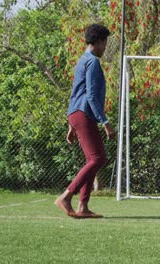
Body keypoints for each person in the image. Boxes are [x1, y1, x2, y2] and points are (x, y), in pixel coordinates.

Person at [54, 24, 115, 218]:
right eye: (104, 42)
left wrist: (71, 125)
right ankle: (66, 196)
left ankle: (83, 207)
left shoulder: (82, 60)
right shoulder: (93, 62)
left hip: (77, 114)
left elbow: (75, 94)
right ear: (97, 41)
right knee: (97, 158)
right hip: (83, 113)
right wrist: (105, 122)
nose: (105, 47)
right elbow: (90, 96)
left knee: (95, 159)